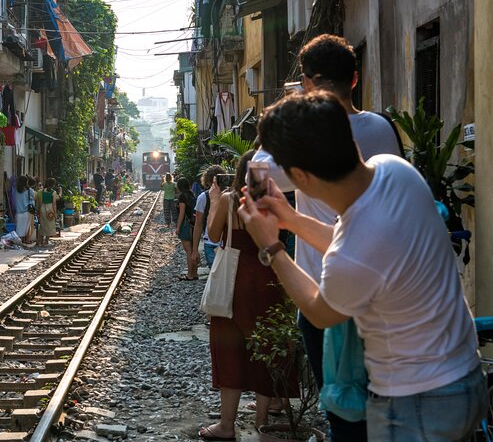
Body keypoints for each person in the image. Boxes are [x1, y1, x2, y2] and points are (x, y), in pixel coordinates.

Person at [239, 91, 486, 441]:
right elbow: (357, 249)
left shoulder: (354, 254)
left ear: (299, 177)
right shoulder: (395, 170)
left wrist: (271, 247)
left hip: (416, 404)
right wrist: (291, 219)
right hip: (465, 377)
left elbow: (320, 313)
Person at [253, 34, 404, 440]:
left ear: (305, 84)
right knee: (383, 404)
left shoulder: (303, 144)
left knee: (342, 411)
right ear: (355, 79)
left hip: (324, 285)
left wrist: (286, 113)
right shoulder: (385, 135)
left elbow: (256, 175)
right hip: (385, 289)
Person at [198, 151, 294, 441]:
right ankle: (261, 420)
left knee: (229, 348)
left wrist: (214, 201)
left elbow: (213, 236)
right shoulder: (273, 201)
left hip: (234, 279)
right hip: (268, 274)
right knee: (265, 347)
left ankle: (227, 425)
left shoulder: (228, 199)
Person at [191, 165, 225, 269]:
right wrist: (195, 250)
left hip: (223, 244)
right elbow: (198, 224)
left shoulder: (228, 195)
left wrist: (195, 250)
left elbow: (198, 224)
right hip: (213, 244)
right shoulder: (204, 197)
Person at [175, 177, 197, 281]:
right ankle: (195, 273)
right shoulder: (192, 194)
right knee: (193, 249)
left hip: (185, 225)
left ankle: (189, 275)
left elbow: (182, 213)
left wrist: (178, 227)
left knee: (188, 251)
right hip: (194, 225)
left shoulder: (182, 197)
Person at [36, 177, 61, 247]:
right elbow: (54, 203)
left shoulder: (41, 191)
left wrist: (39, 210)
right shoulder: (53, 192)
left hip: (43, 208)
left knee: (42, 225)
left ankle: (40, 241)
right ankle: (46, 242)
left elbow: (39, 202)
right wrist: (55, 213)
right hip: (50, 209)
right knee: (49, 225)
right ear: (53, 184)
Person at [14, 175, 33, 244]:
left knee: (19, 228)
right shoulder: (29, 191)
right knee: (26, 227)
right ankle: (26, 240)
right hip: (27, 211)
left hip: (18, 212)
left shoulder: (15, 190)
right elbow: (33, 200)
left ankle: (20, 242)